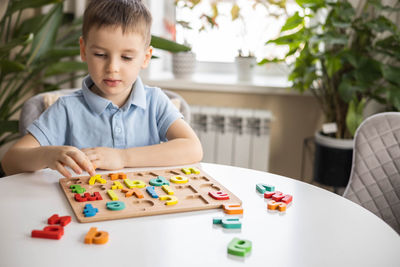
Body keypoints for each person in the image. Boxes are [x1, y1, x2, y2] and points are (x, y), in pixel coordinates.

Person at [1, 0, 203, 178]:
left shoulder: (155, 101)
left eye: (126, 57)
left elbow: (193, 148)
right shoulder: (66, 109)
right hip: (83, 214)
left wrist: (123, 157)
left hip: (144, 210)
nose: (112, 68)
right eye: (100, 54)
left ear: (145, 57)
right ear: (83, 50)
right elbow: (10, 162)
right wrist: (47, 154)